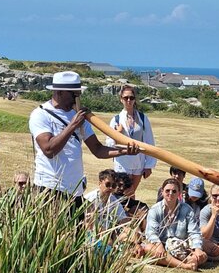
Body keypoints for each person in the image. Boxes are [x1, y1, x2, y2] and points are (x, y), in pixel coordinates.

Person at [28, 71, 139, 215]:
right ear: (59, 92)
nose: (77, 98)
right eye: (74, 94)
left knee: (75, 235)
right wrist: (72, 125)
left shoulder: (78, 115)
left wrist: (124, 151)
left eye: (79, 94)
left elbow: (98, 149)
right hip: (49, 188)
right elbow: (49, 150)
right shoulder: (41, 114)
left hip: (75, 190)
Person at [143, 178, 207, 271]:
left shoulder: (187, 209)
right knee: (149, 248)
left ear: (179, 193)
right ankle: (184, 264)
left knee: (203, 256)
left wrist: (197, 248)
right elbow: (150, 233)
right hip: (162, 245)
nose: (170, 194)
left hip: (182, 246)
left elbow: (194, 232)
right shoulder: (154, 210)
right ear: (162, 191)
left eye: (174, 191)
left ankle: (175, 260)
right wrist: (158, 245)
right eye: (167, 191)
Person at [106, 84, 156, 197]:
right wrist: (117, 133)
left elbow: (149, 141)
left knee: (131, 193)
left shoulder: (143, 118)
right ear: (121, 99)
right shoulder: (116, 119)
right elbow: (109, 143)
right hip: (122, 162)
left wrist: (149, 165)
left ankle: (129, 214)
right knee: (122, 193)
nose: (129, 100)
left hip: (138, 162)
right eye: (126, 98)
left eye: (131, 98)